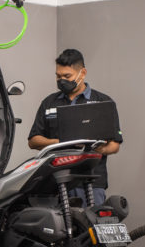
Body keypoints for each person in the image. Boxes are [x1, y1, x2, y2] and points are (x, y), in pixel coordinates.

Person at [28, 49, 123, 205]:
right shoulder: (49, 103)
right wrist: (62, 142)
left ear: (82, 73)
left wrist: (96, 149)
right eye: (58, 76)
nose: (61, 80)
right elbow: (33, 141)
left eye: (67, 76)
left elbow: (114, 145)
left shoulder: (103, 102)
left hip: (91, 182)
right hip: (55, 181)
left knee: (89, 220)